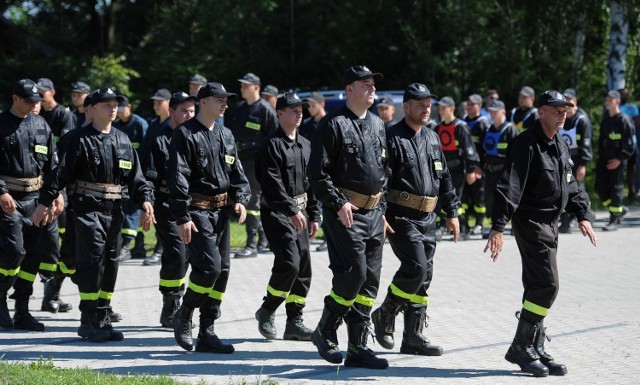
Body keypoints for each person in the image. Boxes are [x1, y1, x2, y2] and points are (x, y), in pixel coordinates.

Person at [484, 90, 597, 377]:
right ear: (541, 112)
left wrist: (583, 213)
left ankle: (534, 345)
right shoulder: (526, 144)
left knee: (537, 285)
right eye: (556, 109)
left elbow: (570, 183)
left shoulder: (558, 142)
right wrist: (498, 227)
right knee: (548, 284)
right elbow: (509, 185)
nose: (563, 114)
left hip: (552, 223)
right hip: (531, 222)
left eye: (566, 109)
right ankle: (520, 347)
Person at [34, 87, 155, 342]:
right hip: (87, 210)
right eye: (106, 104)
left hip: (115, 211)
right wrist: (45, 202)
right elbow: (59, 174)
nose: (113, 108)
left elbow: (137, 178)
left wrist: (145, 201)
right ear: (90, 109)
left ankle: (102, 317)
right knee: (92, 264)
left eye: (115, 104)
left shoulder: (122, 140)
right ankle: (88, 319)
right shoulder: (77, 139)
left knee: (111, 264)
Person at [307, 65, 389, 369]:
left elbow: (384, 172)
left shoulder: (379, 125)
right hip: (346, 215)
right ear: (349, 90)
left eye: (373, 84)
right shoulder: (332, 124)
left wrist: (384, 210)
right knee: (352, 275)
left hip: (374, 213)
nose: (371, 89)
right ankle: (325, 330)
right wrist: (338, 203)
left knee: (370, 282)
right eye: (364, 84)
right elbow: (317, 173)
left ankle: (358, 346)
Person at [371, 83, 460, 357]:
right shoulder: (391, 137)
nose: (425, 109)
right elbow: (380, 179)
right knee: (416, 267)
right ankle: (385, 313)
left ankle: (413, 336)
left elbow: (444, 177)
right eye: (419, 104)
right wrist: (381, 213)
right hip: (401, 215)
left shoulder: (433, 138)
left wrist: (452, 212)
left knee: (425, 276)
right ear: (406, 107)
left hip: (428, 217)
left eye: (428, 104)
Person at [168, 82, 250, 354]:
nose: (225, 104)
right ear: (202, 102)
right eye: (219, 99)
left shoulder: (226, 134)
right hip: (197, 211)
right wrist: (182, 216)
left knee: (223, 272)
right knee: (210, 268)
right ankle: (184, 313)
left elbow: (237, 175)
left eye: (226, 100)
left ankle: (207, 330)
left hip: (222, 212)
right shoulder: (185, 134)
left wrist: (240, 200)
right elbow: (177, 177)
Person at [254, 93, 320, 341]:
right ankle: (268, 309)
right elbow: (272, 185)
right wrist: (291, 211)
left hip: (301, 214)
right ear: (279, 113)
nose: (299, 113)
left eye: (301, 109)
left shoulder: (306, 144)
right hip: (277, 213)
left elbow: (311, 182)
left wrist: (313, 213)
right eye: (293, 110)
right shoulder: (270, 145)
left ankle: (294, 321)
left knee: (304, 267)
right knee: (289, 263)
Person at [0, 79, 62, 331]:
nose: (34, 105)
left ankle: (22, 310)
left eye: (37, 101)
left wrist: (54, 196)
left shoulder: (40, 124)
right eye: (29, 101)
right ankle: (1, 300)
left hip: (36, 200)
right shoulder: (1, 124)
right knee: (14, 251)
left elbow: (53, 166)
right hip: (8, 201)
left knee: (33, 256)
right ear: (15, 98)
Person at [141, 91, 196, 327]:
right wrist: (147, 204)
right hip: (166, 205)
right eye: (183, 110)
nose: (189, 115)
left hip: (195, 206)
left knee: (194, 256)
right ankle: (171, 305)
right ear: (171, 111)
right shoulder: (157, 139)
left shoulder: (197, 136)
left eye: (192, 111)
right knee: (176, 253)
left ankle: (192, 305)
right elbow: (148, 178)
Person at [228, 72, 278, 258]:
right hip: (239, 158)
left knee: (252, 201)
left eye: (246, 86)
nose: (242, 88)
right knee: (244, 199)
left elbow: (274, 139)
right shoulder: (240, 108)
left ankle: (252, 244)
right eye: (241, 85)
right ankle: (263, 240)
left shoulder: (265, 110)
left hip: (257, 161)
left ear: (256, 87)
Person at [434, 96, 480, 240]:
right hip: (442, 170)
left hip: (458, 169)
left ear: (452, 109)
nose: (441, 111)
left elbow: (469, 150)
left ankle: (464, 228)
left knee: (457, 199)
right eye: (440, 108)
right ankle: (441, 227)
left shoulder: (460, 126)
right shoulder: (438, 127)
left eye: (444, 108)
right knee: (441, 198)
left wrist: (471, 170)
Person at [114, 96, 149, 261]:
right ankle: (139, 247)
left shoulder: (140, 124)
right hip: (122, 176)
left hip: (138, 175)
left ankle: (127, 246)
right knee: (128, 211)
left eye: (121, 108)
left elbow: (147, 149)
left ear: (129, 107)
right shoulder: (116, 126)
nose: (119, 112)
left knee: (134, 210)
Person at [595, 90, 636, 231]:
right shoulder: (606, 118)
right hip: (604, 159)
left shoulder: (624, 120)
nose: (607, 101)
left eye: (610, 99)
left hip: (618, 160)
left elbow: (630, 144)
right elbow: (602, 140)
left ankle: (615, 218)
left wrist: (619, 159)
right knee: (599, 187)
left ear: (617, 101)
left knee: (616, 189)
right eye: (606, 98)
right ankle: (618, 209)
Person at [142, 88, 172, 266]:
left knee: (163, 215)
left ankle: (160, 250)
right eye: (154, 102)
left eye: (159, 102)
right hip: (150, 172)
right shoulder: (153, 124)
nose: (156, 106)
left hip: (164, 176)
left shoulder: (172, 125)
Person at [479, 100, 520, 228]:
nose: (492, 114)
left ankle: (515, 225)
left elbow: (518, 154)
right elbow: (482, 151)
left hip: (505, 172)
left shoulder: (511, 130)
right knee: (490, 200)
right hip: (489, 172)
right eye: (490, 111)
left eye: (495, 112)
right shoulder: (487, 129)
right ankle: (493, 225)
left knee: (507, 200)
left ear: (503, 112)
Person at [558, 89, 593, 233]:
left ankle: (585, 216)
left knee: (578, 189)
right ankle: (565, 220)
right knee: (563, 188)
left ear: (575, 102)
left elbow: (586, 144)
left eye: (570, 101)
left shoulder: (582, 120)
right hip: (564, 158)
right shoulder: (561, 118)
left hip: (578, 159)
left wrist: (583, 165)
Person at [298, 91, 328, 252]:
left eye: (313, 105)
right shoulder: (306, 124)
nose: (309, 109)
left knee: (326, 203)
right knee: (313, 203)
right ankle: (311, 232)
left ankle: (327, 237)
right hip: (309, 169)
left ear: (322, 104)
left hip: (326, 170)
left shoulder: (329, 123)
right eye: (308, 106)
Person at [464, 94, 491, 233]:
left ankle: (480, 223)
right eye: (468, 104)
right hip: (466, 167)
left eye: (472, 104)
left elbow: (486, 148)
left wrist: (480, 167)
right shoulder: (463, 122)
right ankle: (467, 224)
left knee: (478, 196)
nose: (469, 107)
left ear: (479, 106)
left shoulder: (483, 123)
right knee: (466, 197)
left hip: (479, 168)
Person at [618, 88, 639, 198]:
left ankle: (632, 191)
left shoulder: (632, 108)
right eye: (622, 95)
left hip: (632, 143)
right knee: (620, 168)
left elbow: (636, 122)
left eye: (626, 94)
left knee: (632, 167)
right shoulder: (616, 108)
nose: (625, 96)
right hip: (619, 144)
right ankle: (619, 192)